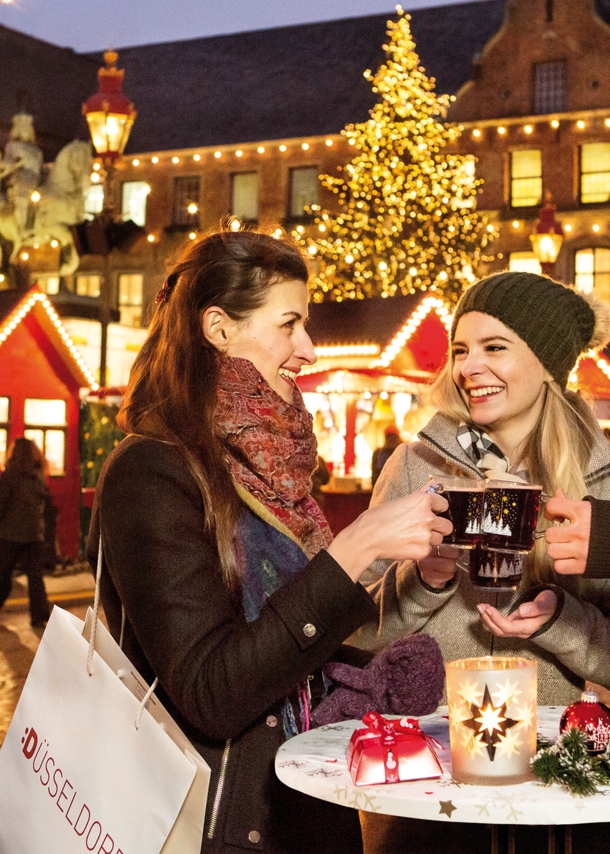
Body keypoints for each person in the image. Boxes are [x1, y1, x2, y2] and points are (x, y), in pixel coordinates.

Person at [86, 228, 451, 854]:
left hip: (303, 809)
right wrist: (354, 549)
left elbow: (290, 653)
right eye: (289, 325)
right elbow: (212, 692)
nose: (307, 348)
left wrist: (384, 660)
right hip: (215, 824)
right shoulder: (154, 469)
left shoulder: (276, 470)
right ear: (219, 328)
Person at [349, 271, 610, 854]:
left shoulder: (601, 483)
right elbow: (349, 632)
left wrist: (560, 622)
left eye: (495, 347)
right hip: (423, 787)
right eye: (460, 350)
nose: (468, 367)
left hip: (556, 793)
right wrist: (421, 583)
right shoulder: (415, 466)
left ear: (547, 363)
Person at [0, 437, 52, 628]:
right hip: (34, 536)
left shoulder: (10, 475)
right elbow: (47, 508)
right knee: (35, 577)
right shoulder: (39, 476)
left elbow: (2, 503)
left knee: (3, 574)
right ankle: (39, 616)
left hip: (10, 534)